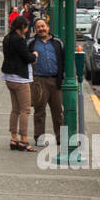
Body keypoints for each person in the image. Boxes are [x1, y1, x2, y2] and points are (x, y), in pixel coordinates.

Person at [2, 14, 38, 151]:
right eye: (26, 27)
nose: (27, 29)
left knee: (15, 109)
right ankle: (23, 140)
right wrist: (35, 55)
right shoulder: (19, 40)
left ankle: (13, 138)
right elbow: (27, 58)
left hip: (9, 78)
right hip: (20, 79)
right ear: (22, 27)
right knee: (25, 110)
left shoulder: (7, 38)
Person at [28, 17, 66, 146]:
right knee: (39, 111)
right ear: (35, 29)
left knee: (58, 112)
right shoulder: (31, 43)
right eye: (38, 27)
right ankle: (39, 138)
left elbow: (64, 60)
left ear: (48, 27)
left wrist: (63, 77)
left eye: (43, 26)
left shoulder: (58, 42)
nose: (41, 29)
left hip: (56, 81)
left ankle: (61, 138)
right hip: (39, 81)